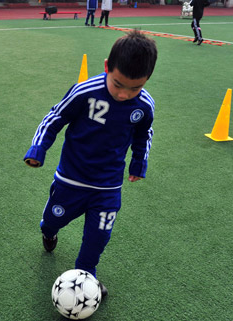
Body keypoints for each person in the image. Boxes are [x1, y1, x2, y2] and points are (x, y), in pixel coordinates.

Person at [24, 31, 158, 298]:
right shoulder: (85, 92)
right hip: (71, 179)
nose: (124, 94)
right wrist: (38, 149)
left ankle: (86, 274)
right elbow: (55, 117)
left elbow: (145, 134)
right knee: (52, 220)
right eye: (118, 84)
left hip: (108, 186)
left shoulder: (144, 105)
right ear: (107, 67)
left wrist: (138, 164)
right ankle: (48, 230)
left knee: (98, 236)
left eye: (135, 88)